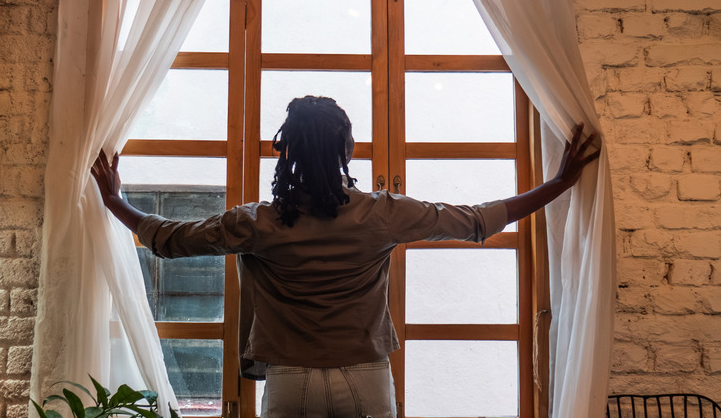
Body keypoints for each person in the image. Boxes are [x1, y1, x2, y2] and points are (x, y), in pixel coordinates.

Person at [91, 95, 599, 418]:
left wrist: (115, 200)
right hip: (366, 379)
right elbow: (476, 219)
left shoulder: (257, 222)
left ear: (285, 152)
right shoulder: (381, 213)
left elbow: (169, 240)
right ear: (348, 150)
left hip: (288, 382)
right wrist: (559, 182)